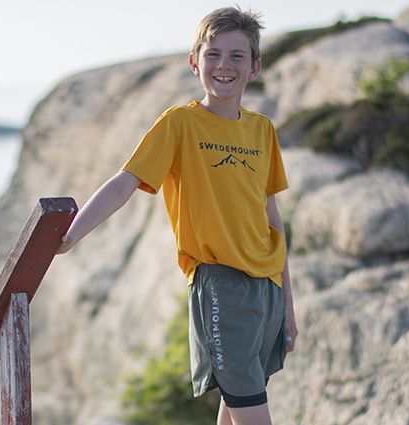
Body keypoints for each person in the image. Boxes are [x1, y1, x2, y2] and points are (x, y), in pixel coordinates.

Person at [56, 6, 296, 425]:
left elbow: (273, 221)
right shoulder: (180, 123)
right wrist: (71, 235)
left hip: (267, 288)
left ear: (254, 67)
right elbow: (124, 182)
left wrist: (288, 307)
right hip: (220, 282)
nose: (224, 65)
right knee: (251, 411)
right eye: (213, 54)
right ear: (194, 62)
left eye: (237, 56)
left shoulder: (262, 130)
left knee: (236, 406)